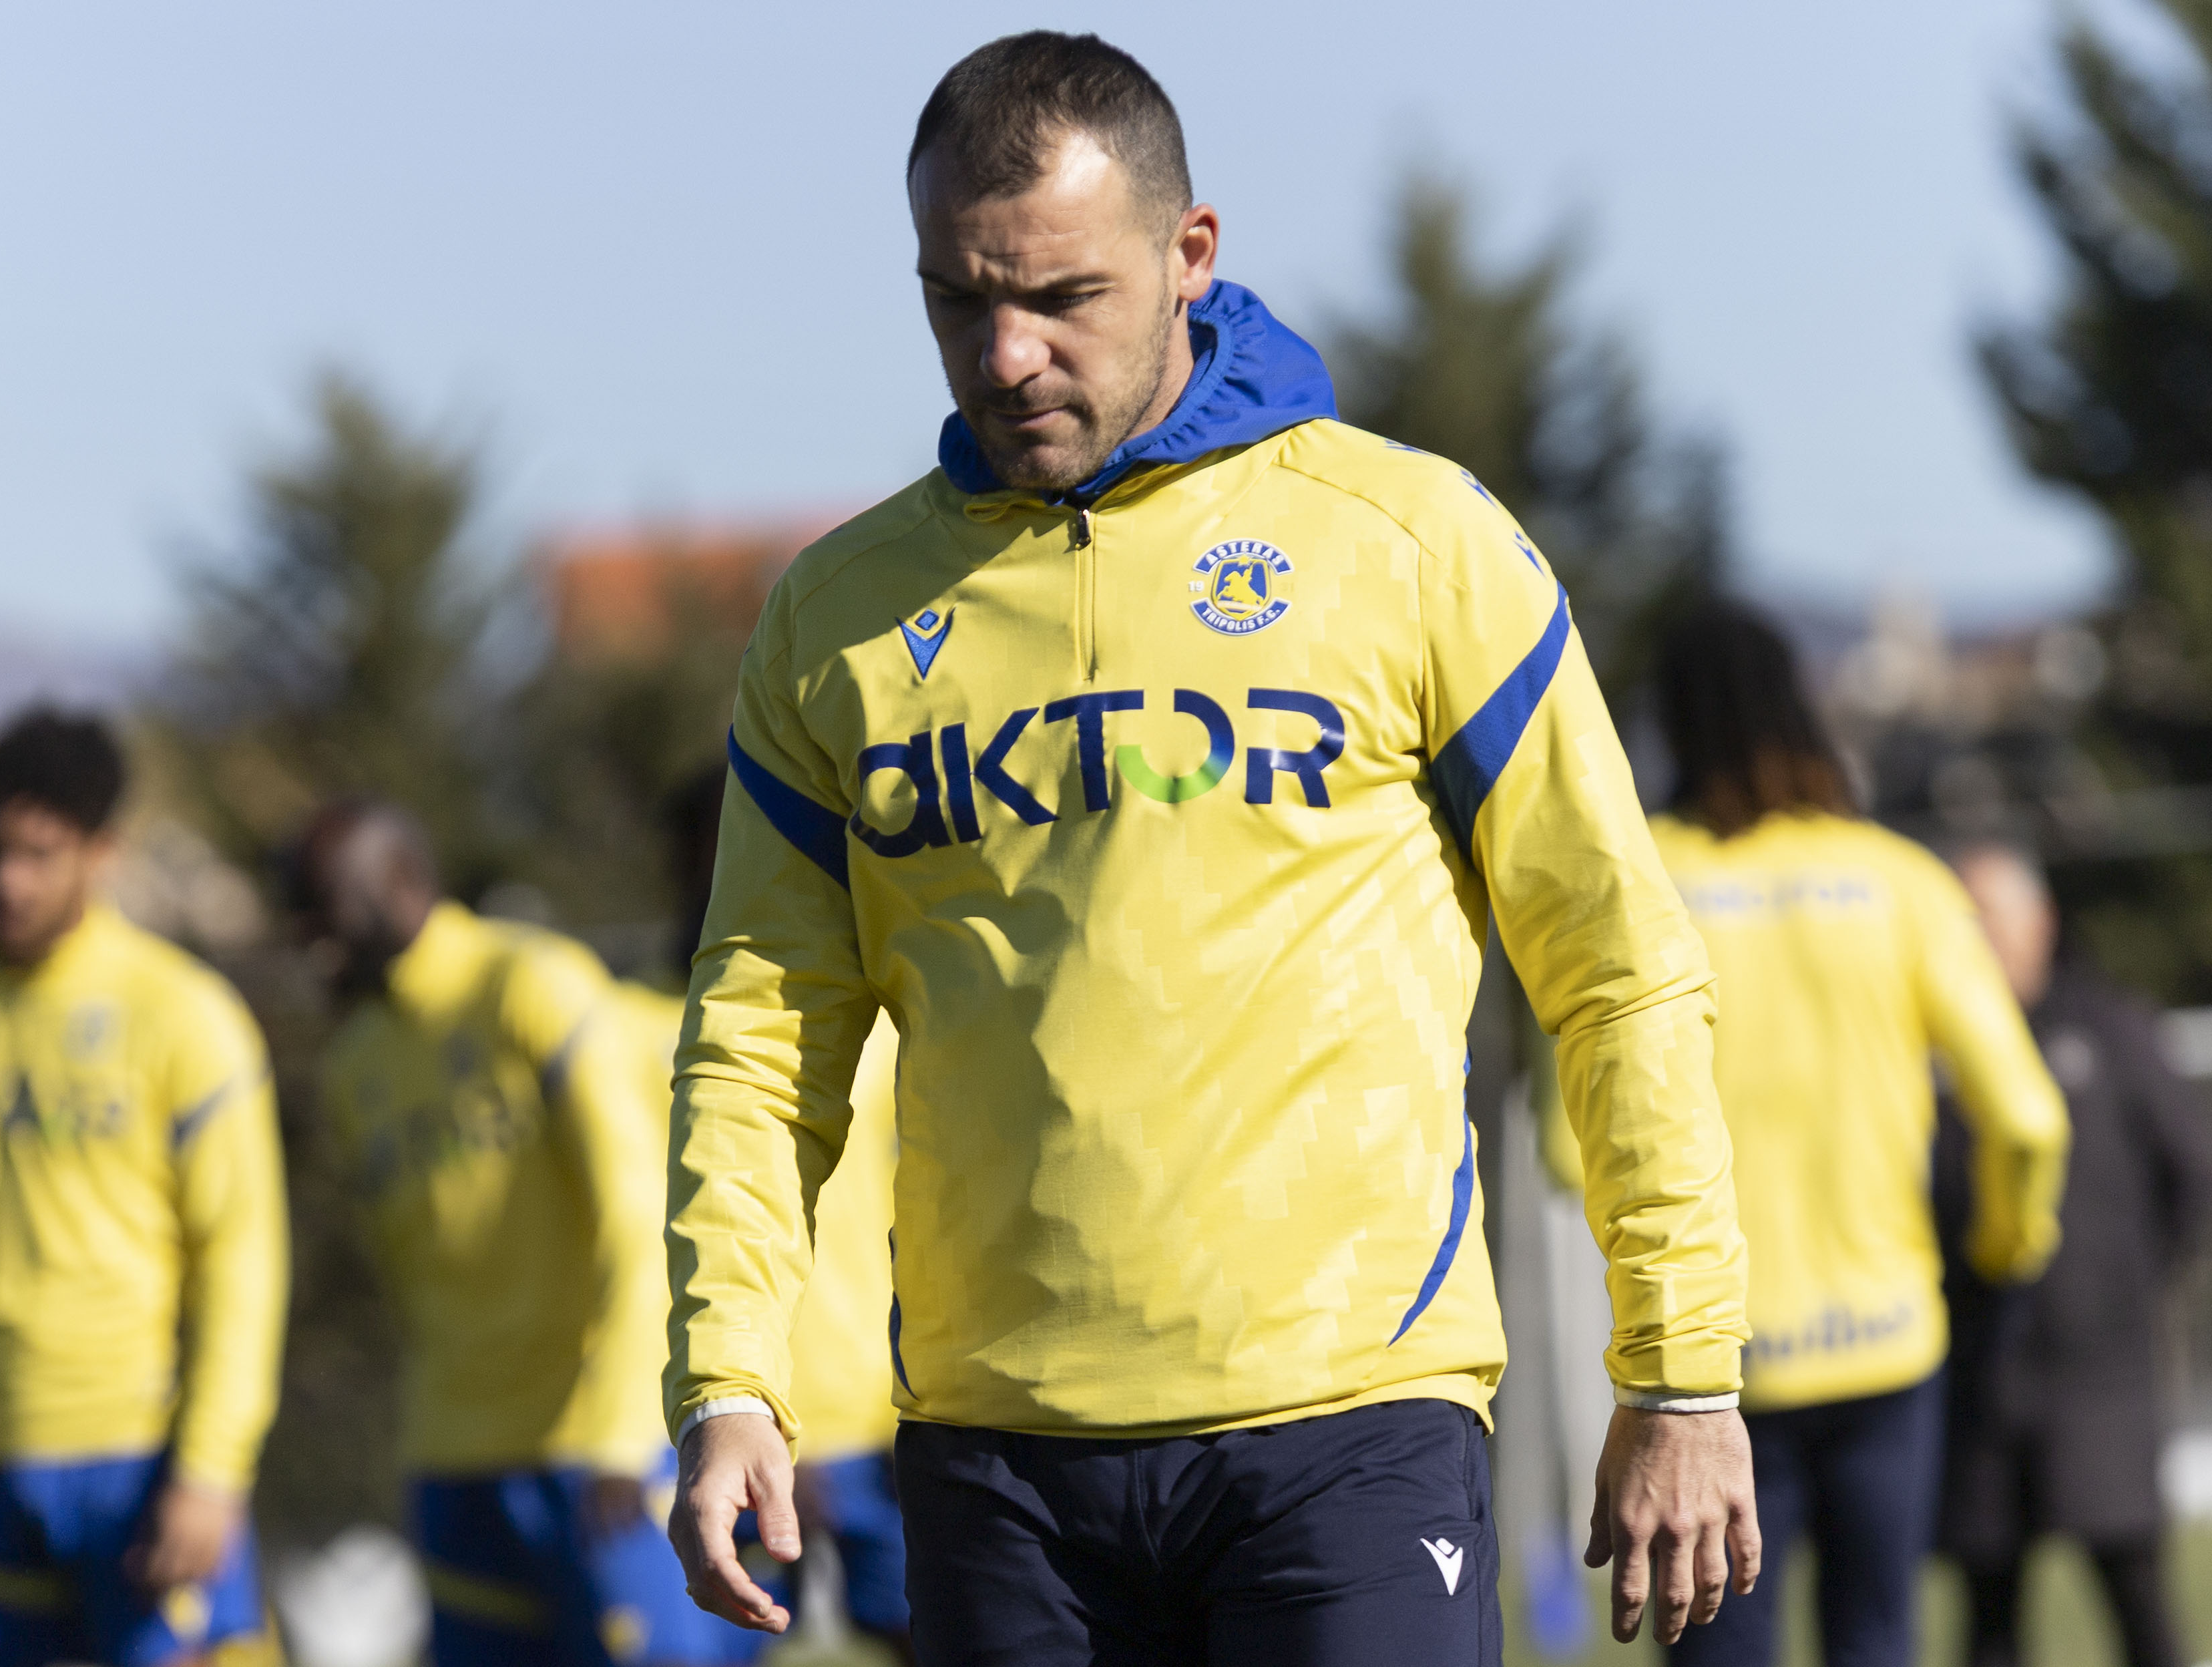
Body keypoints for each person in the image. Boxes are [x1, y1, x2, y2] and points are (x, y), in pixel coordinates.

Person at [664, 32, 1761, 1667]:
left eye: (1062, 296)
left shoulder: (1411, 543)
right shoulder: (835, 621)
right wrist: (728, 1379)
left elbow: (1614, 971)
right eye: (957, 301)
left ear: (1189, 254)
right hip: (998, 1465)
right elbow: (760, 1039)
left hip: (1349, 1430)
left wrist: (1679, 1371)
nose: (1005, 353)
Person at [1643, 604, 2070, 1667]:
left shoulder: (1644, 882)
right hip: (1888, 1341)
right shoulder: (1901, 880)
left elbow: (1573, 1149)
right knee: (1878, 1640)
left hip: (1710, 1364)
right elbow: (2027, 1119)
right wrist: (2003, 1251)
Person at [0, 707, 288, 1667]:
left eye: (41, 856)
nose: (10, 881)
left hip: (143, 1463)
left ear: (102, 853)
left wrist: (213, 1467)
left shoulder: (182, 1015)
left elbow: (243, 1260)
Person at [292, 800, 720, 1667]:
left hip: (593, 1450)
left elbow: (640, 1212)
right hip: (453, 1459)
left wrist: (622, 1426)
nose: (311, 943)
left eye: (325, 907)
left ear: (399, 882)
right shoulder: (353, 1064)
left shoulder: (532, 983)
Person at [624, 763, 912, 1663]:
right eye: (716, 849)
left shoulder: (877, 1019)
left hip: (881, 1420)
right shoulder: (621, 1031)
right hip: (717, 1426)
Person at [1936, 842, 2212, 1667]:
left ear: (2042, 922)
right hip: (1979, 1375)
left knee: (2139, 1601)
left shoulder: (2111, 1027)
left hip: (2102, 1379)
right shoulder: (1932, 1043)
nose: (1981, 939)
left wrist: (2129, 1285)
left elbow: (2192, 1173)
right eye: (1964, 921)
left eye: (1994, 918)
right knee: (1990, 1618)